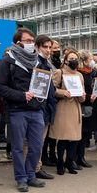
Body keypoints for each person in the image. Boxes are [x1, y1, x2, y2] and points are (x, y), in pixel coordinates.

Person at [0, 28, 46, 192]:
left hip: (36, 110)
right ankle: (21, 178)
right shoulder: (8, 62)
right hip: (17, 110)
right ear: (18, 43)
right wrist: (20, 95)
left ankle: (31, 175)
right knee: (17, 147)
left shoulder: (38, 61)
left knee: (37, 146)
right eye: (28, 41)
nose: (32, 44)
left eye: (32, 40)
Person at [51, 49, 86, 175]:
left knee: (74, 139)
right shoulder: (59, 72)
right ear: (65, 60)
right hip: (63, 108)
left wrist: (82, 96)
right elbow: (52, 89)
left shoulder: (79, 75)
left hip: (75, 108)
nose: (74, 61)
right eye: (71, 58)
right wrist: (62, 92)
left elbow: (83, 95)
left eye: (75, 58)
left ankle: (70, 162)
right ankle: (60, 162)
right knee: (63, 138)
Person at [32, 34, 57, 180]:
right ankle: (33, 169)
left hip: (47, 107)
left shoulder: (47, 63)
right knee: (34, 142)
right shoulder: (36, 62)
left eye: (49, 47)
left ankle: (37, 166)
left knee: (40, 141)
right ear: (37, 47)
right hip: (38, 107)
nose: (48, 50)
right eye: (45, 47)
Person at [75, 50, 97, 169]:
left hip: (90, 105)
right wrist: (90, 97)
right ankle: (76, 158)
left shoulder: (91, 73)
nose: (92, 62)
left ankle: (81, 157)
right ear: (84, 61)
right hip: (83, 105)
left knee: (85, 134)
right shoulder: (80, 73)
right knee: (80, 134)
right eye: (90, 59)